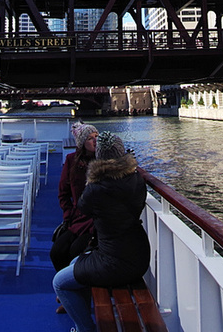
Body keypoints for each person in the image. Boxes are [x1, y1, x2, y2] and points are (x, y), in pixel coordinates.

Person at [52, 131, 150, 332]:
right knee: (74, 262)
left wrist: (92, 178)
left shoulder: (97, 187)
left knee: (59, 283)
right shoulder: (137, 179)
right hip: (139, 254)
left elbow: (83, 206)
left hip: (114, 260)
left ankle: (84, 329)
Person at [50, 123, 97, 272]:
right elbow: (63, 192)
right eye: (90, 138)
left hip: (95, 221)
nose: (95, 141)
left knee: (75, 253)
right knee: (56, 252)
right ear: (82, 143)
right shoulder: (72, 160)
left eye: (97, 137)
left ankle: (77, 289)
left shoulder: (103, 161)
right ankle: (66, 289)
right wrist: (68, 213)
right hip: (76, 218)